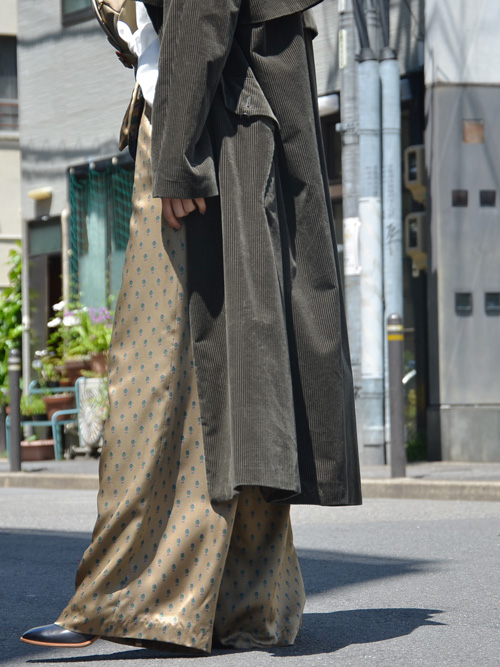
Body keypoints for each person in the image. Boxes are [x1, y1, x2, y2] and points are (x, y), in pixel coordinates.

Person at [21, 0, 361, 654]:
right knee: (237, 368)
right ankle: (248, 604)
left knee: (152, 372)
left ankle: (121, 597)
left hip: (206, 129)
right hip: (230, 120)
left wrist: (177, 154)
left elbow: (202, 11)